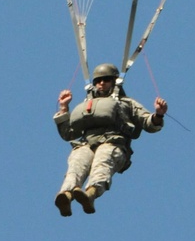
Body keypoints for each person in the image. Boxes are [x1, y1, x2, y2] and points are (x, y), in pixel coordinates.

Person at [53, 64, 168, 216]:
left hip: (113, 144)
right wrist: (63, 108)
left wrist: (158, 115)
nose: (101, 83)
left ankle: (91, 194)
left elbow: (149, 124)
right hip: (86, 143)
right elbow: (68, 134)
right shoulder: (87, 106)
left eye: (106, 80)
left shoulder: (127, 103)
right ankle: (66, 196)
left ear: (114, 82)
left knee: (103, 160)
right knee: (77, 162)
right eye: (98, 80)